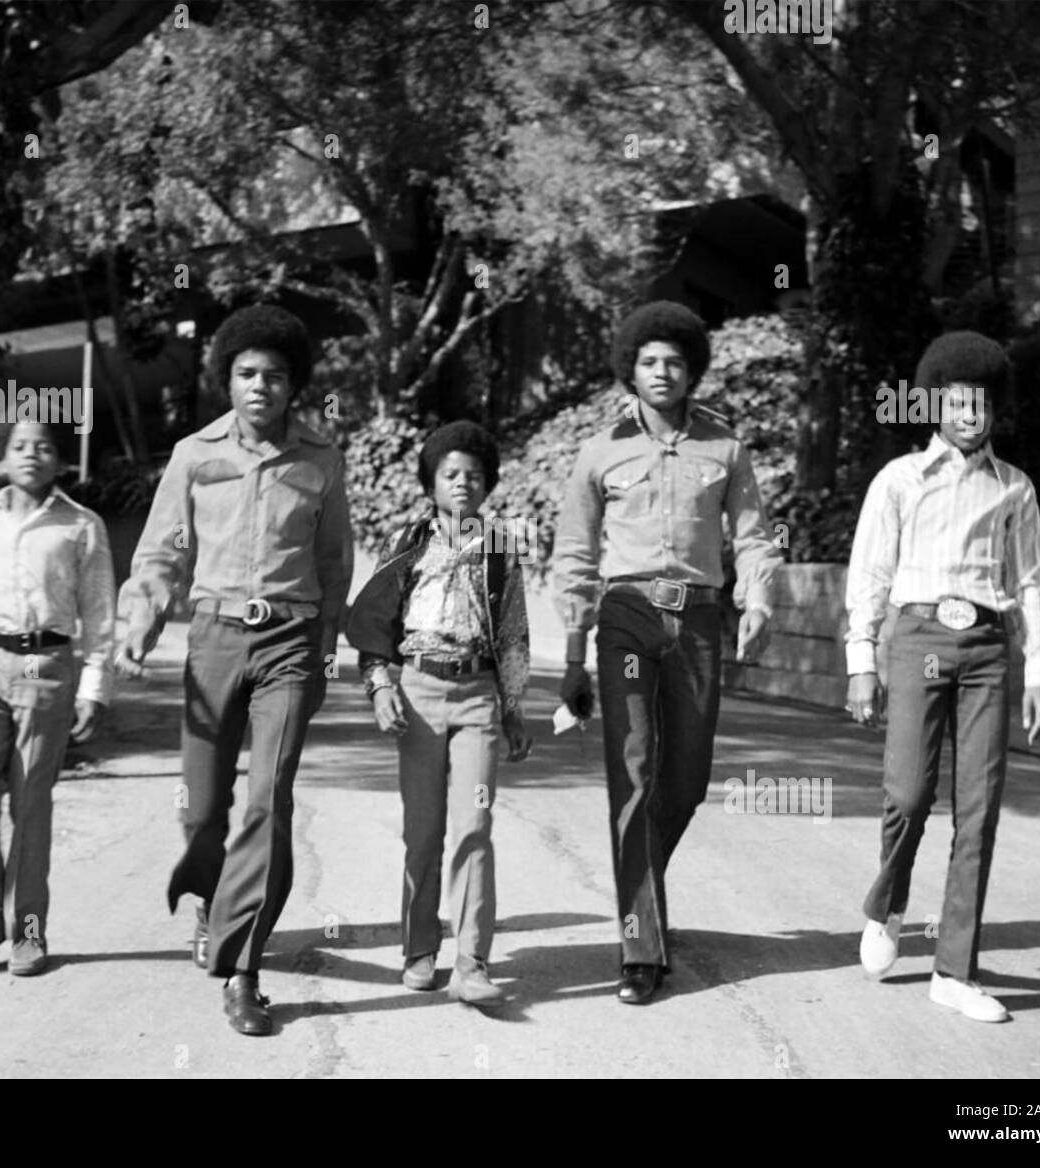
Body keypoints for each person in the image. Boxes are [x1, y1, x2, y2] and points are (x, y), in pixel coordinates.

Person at [116, 305, 353, 1036]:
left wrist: (327, 640)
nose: (260, 387)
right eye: (247, 375)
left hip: (290, 641)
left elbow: (335, 562)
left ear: (294, 386)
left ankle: (244, 967)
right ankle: (211, 903)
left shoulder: (321, 458)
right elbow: (162, 551)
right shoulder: (194, 455)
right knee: (202, 806)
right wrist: (140, 620)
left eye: (275, 377)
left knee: (267, 800)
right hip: (215, 637)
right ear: (228, 381)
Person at [552, 301, 781, 1005]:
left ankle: (639, 890)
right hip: (626, 617)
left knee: (685, 778)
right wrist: (570, 653)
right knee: (634, 771)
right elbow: (575, 555)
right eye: (649, 361)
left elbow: (754, 534)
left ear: (691, 370)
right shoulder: (599, 452)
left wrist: (761, 598)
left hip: (701, 619)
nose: (662, 372)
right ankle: (641, 948)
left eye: (674, 362)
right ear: (632, 368)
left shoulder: (727, 448)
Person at [846, 330, 1040, 1023]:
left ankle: (954, 970)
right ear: (934, 404)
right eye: (959, 401)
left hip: (989, 648)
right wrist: (862, 662)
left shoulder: (1015, 489)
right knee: (908, 793)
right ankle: (887, 906)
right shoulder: (899, 480)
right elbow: (870, 575)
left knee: (980, 807)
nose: (971, 415)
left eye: (983, 403)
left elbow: (1028, 582)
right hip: (918, 637)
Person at [347, 421, 532, 1009]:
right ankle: (419, 950)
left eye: (474, 476)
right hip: (420, 692)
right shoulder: (408, 541)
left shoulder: (501, 551)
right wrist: (381, 686)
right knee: (422, 832)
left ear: (488, 484)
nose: (463, 484)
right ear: (431, 482)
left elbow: (512, 634)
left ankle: (472, 961)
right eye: (451, 474)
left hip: (477, 694)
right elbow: (375, 621)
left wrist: (513, 708)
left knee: (474, 827)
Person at [0, 419, 115, 977]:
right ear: (1, 458)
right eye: (19, 445)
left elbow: (99, 612)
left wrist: (94, 686)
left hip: (47, 663)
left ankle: (28, 928)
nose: (31, 454)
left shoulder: (81, 526)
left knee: (31, 797)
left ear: (60, 459)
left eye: (44, 446)